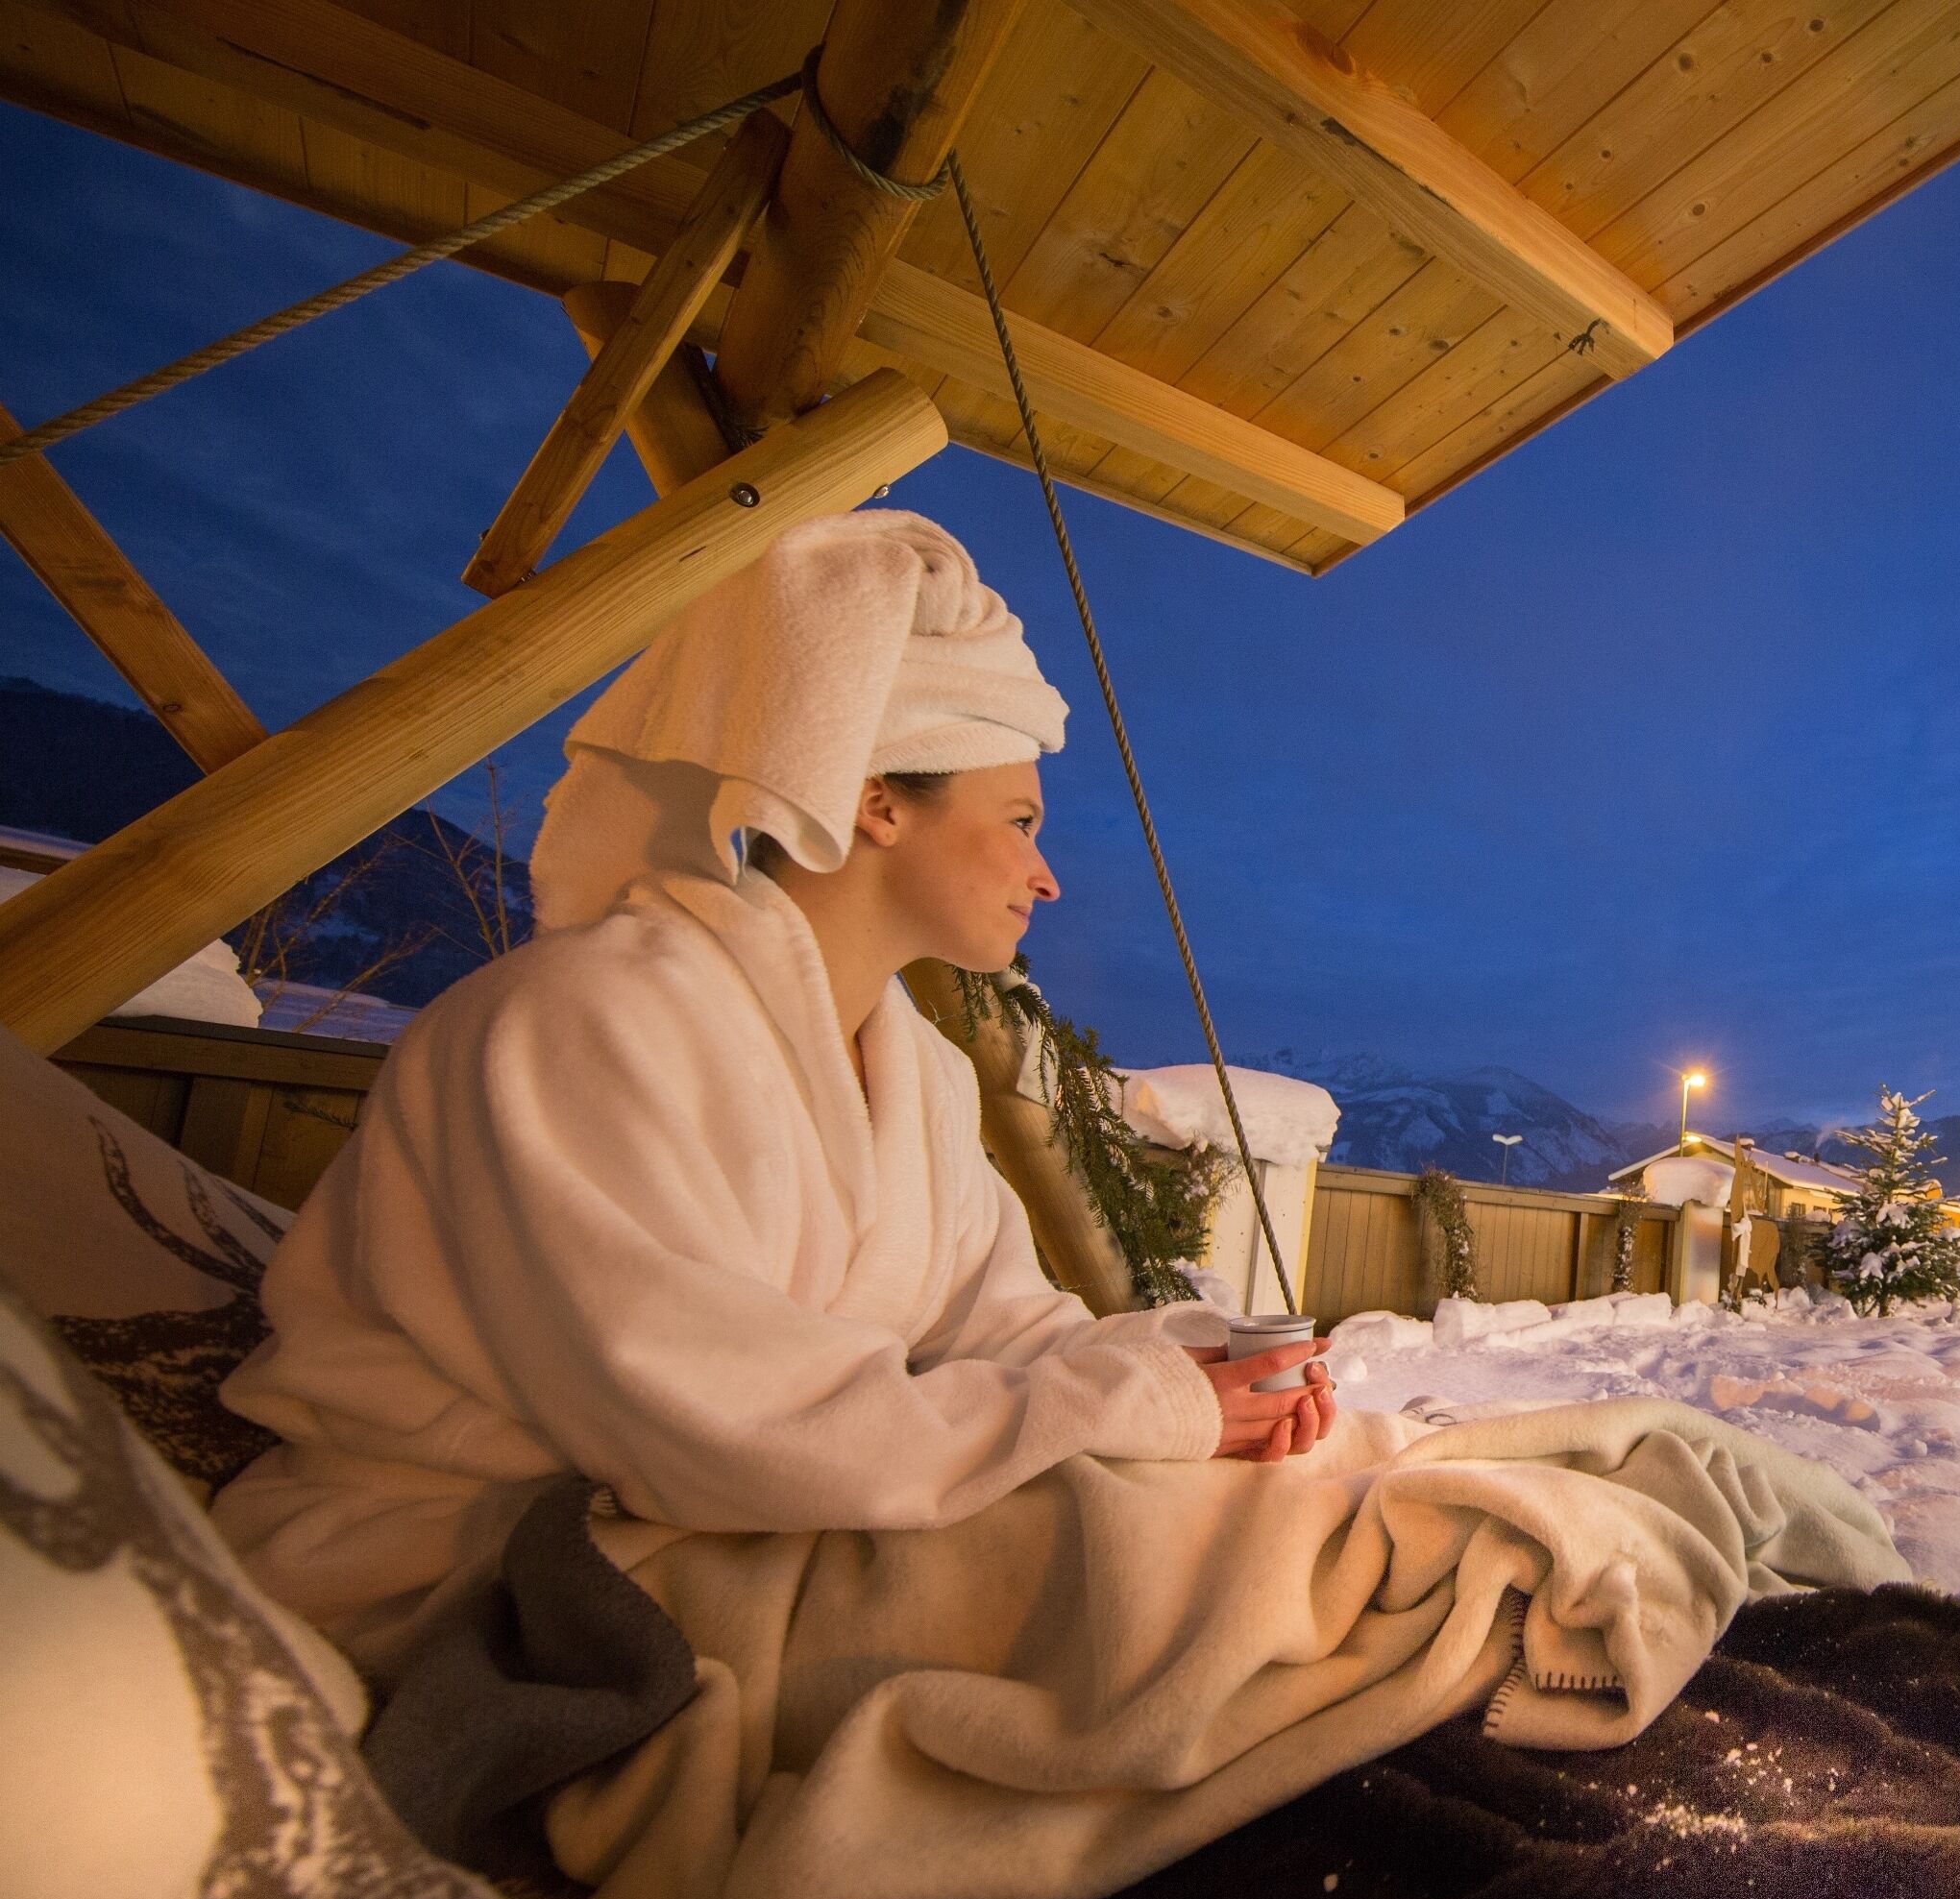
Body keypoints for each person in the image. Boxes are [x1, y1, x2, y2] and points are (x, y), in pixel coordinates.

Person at [212, 512, 1329, 1675]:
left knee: (1264, 1536)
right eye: (1019, 822)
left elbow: (997, 1331)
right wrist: (1119, 1411)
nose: (1046, 875)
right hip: (475, 1554)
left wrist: (1188, 1362)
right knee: (1188, 1596)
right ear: (877, 802)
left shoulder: (922, 1075)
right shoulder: (577, 1022)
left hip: (743, 1513)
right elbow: (710, 1420)